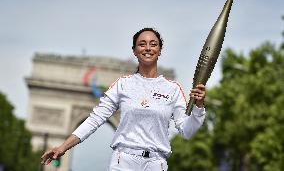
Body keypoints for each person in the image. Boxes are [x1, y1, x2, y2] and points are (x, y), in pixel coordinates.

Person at [41, 27, 206, 171]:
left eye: (153, 44)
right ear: (134, 50)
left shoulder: (173, 89)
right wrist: (63, 147)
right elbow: (95, 120)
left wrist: (198, 107)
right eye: (142, 44)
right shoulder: (122, 84)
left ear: (160, 50)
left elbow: (187, 131)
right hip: (123, 162)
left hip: (156, 163)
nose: (148, 48)